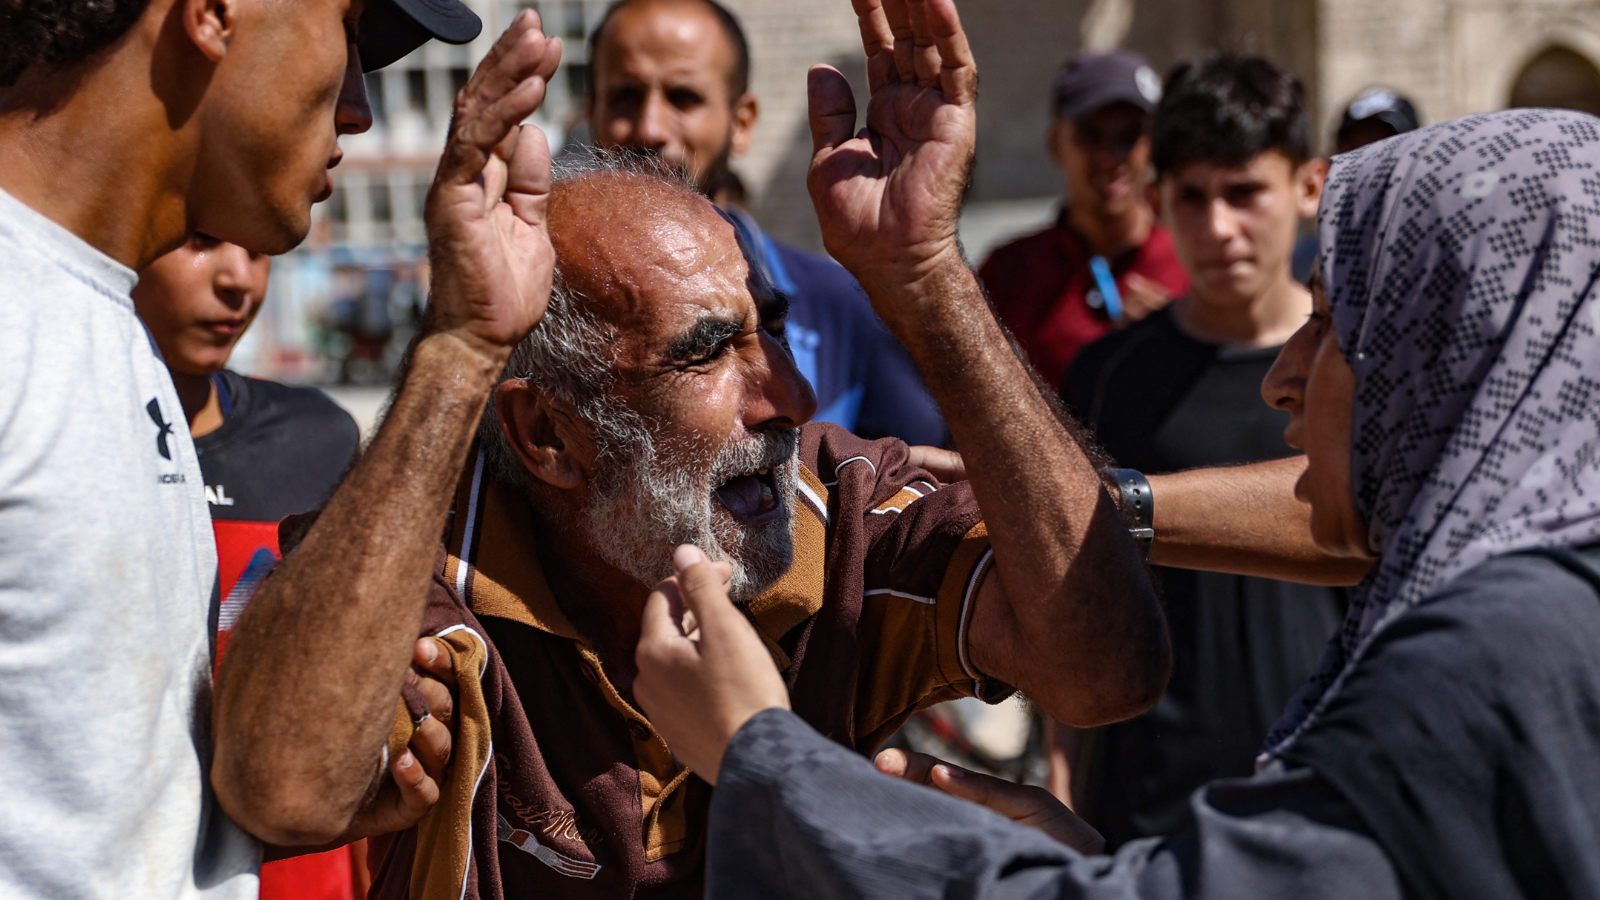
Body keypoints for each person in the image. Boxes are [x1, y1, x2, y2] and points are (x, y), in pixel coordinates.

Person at [638, 107, 1600, 899]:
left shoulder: (1498, 654)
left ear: (1461, 352)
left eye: (1336, 323)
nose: (1285, 379)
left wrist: (764, 756)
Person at [347, 0, 1174, 890]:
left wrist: (926, 275)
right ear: (549, 434)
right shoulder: (421, 570)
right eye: (707, 353)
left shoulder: (841, 505)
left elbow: (1105, 672)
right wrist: (453, 349)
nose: (793, 398)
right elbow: (281, 782)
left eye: (772, 333)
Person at [0, 0, 484, 895]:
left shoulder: (102, 325)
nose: (359, 107)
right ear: (215, 13)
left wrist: (238, 815)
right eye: (351, 33)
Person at [1055, 53, 1344, 846]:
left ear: (1308, 187)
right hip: (1150, 808)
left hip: (1328, 797)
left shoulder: (1359, 373)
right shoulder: (1108, 374)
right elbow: (1076, 581)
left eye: (1245, 192)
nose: (1219, 228)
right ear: (1159, 201)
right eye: (1192, 197)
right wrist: (1063, 759)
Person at [584, 0, 948, 446]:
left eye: (684, 97)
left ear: (742, 122)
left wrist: (925, 266)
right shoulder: (538, 301)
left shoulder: (837, 307)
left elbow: (933, 481)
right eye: (625, 96)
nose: (650, 127)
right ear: (590, 110)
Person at [132, 234, 368, 900]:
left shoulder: (319, 437)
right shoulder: (51, 440)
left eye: (260, 250)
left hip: (309, 873)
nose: (238, 279)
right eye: (201, 243)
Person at [978, 50, 1190, 388]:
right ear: (1055, 146)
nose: (1110, 158)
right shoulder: (1009, 272)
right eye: (1091, 137)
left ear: (1152, 146)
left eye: (1128, 137)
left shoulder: (1193, 262)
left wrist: (1185, 334)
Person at [1291, 87, 1420, 283]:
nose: (1369, 168)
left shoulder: (1436, 256)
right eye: (1355, 153)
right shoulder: (1301, 265)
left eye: (1387, 151)